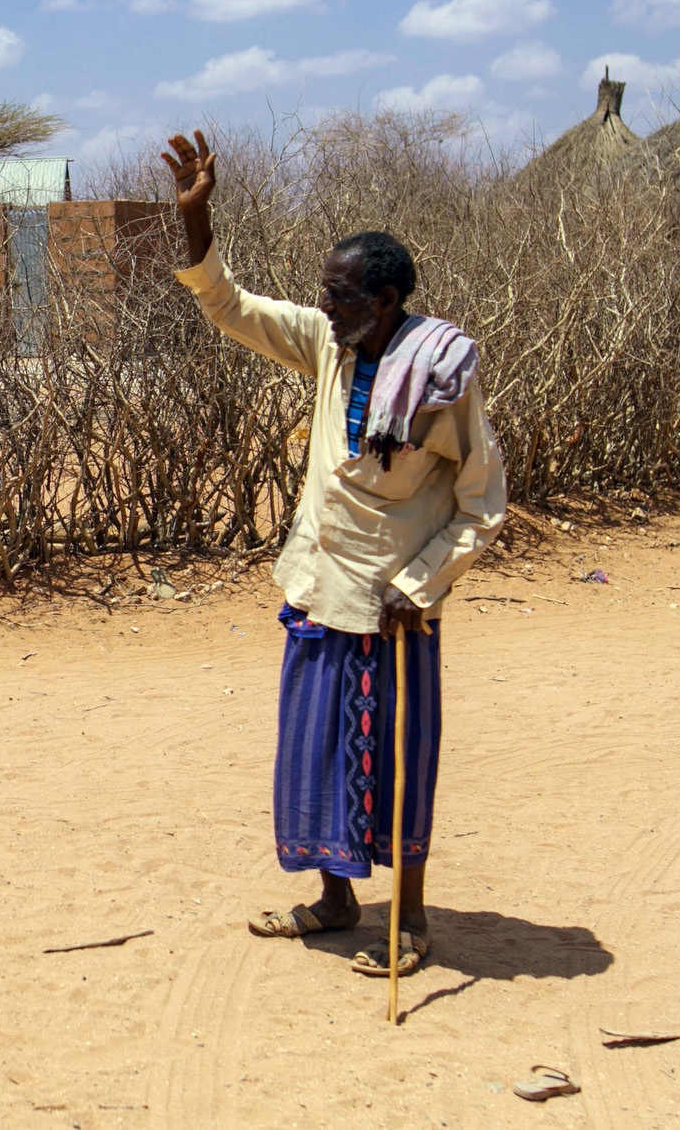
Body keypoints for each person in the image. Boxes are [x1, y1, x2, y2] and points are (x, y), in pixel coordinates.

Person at [160, 130, 505, 978]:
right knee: (314, 753)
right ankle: (337, 899)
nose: (327, 305)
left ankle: (413, 923)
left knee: (397, 762)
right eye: (324, 292)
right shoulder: (327, 345)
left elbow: (483, 504)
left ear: (385, 298)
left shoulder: (442, 378)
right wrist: (196, 219)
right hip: (320, 593)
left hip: (392, 610)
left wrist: (420, 585)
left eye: (342, 294)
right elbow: (231, 305)